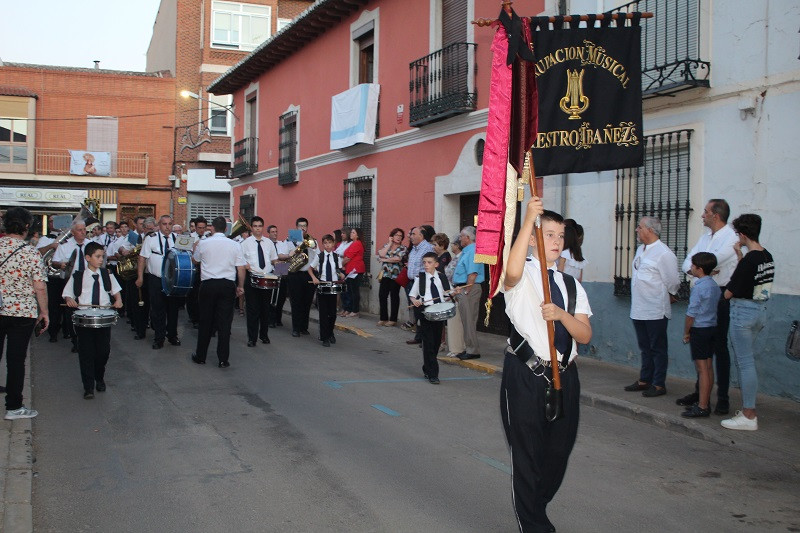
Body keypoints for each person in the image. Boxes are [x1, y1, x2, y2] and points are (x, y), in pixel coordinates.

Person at [500, 198, 592, 532]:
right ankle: (536, 525)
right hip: (526, 374)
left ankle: (535, 509)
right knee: (527, 455)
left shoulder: (571, 285)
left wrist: (561, 314)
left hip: (565, 377)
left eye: (559, 236)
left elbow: (583, 334)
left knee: (557, 456)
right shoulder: (521, 274)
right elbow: (510, 272)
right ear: (536, 239)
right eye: (548, 234)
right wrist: (528, 221)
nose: (555, 242)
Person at [678, 198, 739, 415]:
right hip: (703, 290)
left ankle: (722, 397)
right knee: (701, 349)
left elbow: (713, 260)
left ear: (716, 215)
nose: (702, 215)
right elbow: (688, 262)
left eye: (705, 212)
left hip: (721, 295)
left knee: (719, 347)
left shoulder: (731, 237)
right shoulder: (705, 237)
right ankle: (700, 393)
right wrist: (696, 268)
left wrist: (700, 267)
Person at [720, 214, 774, 431]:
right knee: (748, 360)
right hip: (760, 310)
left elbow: (729, 292)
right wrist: (739, 256)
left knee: (745, 363)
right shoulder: (765, 256)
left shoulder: (750, 260)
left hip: (743, 312)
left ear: (742, 235)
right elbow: (751, 277)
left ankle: (749, 414)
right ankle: (748, 412)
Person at [0, 207, 48, 419]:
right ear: (27, 226)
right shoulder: (30, 252)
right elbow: (39, 286)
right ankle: (13, 407)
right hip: (22, 313)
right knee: (16, 360)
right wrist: (44, 311)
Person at [624, 216, 680, 397]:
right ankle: (645, 379)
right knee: (645, 347)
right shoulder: (641, 249)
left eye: (639, 227)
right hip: (639, 308)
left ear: (649, 230)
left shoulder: (664, 253)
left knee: (657, 348)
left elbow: (673, 281)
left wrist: (669, 295)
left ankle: (658, 383)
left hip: (655, 309)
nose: (637, 230)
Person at [62, 242, 123, 399]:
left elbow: (116, 292)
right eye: (97, 256)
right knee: (86, 353)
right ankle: (88, 387)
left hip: (104, 318)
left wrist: (118, 300)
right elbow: (68, 294)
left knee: (103, 352)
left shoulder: (106, 274)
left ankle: (99, 377)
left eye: (102, 256)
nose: (101, 259)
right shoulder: (78, 276)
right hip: (84, 320)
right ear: (88, 258)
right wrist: (70, 300)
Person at [190, 216, 246, 368]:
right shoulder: (234, 244)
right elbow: (240, 268)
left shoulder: (203, 242)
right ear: (226, 229)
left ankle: (201, 356)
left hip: (208, 284)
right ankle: (223, 359)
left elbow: (195, 260)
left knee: (205, 321)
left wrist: (196, 248)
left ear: (211, 228)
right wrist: (240, 286)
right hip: (227, 284)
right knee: (225, 323)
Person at [681, 252, 720, 418]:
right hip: (712, 327)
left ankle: (703, 405)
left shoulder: (699, 287)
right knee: (709, 367)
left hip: (700, 329)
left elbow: (691, 314)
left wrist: (686, 332)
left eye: (693, 266)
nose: (691, 268)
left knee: (702, 369)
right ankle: (705, 401)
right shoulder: (713, 285)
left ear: (700, 269)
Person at [136, 215, 182, 349]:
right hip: (156, 279)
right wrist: (140, 277)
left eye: (169, 224)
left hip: (173, 280)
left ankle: (172, 335)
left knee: (173, 309)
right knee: (157, 309)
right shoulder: (151, 239)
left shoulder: (178, 239)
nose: (167, 227)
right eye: (164, 224)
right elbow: (142, 259)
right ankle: (159, 337)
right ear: (159, 225)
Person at [409, 252, 451, 384]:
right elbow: (412, 295)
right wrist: (415, 301)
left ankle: (427, 367)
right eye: (424, 263)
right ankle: (433, 374)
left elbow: (448, 294)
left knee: (436, 342)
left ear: (436, 264)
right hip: (426, 312)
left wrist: (453, 293)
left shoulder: (442, 278)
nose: (426, 265)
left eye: (429, 262)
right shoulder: (420, 279)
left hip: (439, 313)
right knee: (428, 342)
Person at [51, 219, 92, 352]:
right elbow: (55, 261)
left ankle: (86, 338)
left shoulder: (91, 245)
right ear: (73, 232)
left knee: (86, 310)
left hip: (88, 281)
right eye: (80, 230)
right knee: (71, 312)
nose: (83, 232)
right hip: (71, 281)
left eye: (84, 230)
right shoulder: (65, 245)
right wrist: (61, 265)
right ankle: (75, 340)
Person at [241, 216, 277, 347]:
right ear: (251, 228)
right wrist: (245, 265)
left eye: (260, 226)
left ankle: (264, 335)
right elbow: (240, 260)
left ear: (263, 227)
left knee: (265, 309)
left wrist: (283, 270)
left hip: (267, 279)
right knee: (252, 310)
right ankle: (252, 338)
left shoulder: (269, 243)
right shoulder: (245, 243)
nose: (258, 228)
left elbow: (274, 260)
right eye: (255, 226)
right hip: (252, 279)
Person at [451, 226, 485, 360]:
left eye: (461, 236)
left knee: (469, 320)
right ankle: (469, 347)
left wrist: (466, 291)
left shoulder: (473, 251)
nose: (459, 239)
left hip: (468, 289)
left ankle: (472, 350)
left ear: (468, 237)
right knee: (466, 320)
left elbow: (472, 273)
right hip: (464, 288)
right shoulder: (468, 251)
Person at [309, 234, 344, 347]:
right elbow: (310, 268)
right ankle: (324, 337)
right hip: (322, 287)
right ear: (323, 244)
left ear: (333, 244)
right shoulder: (319, 256)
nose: (327, 245)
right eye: (325, 243)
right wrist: (314, 278)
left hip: (332, 287)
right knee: (323, 314)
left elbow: (338, 270)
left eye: (329, 243)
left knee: (332, 314)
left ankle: (330, 332)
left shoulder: (336, 256)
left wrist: (341, 274)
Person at [286, 217, 317, 337]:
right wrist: (299, 248)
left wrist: (311, 246)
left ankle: (304, 327)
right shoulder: (290, 240)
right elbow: (288, 256)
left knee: (307, 301)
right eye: (300, 226)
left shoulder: (313, 241)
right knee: (296, 302)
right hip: (295, 274)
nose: (303, 228)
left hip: (308, 274)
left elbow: (317, 256)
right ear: (296, 227)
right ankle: (296, 328)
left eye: (304, 226)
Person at [404, 226, 434, 344]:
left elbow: (429, 268)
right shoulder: (414, 249)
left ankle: (424, 337)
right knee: (416, 311)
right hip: (412, 282)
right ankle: (419, 336)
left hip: (421, 283)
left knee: (422, 310)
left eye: (413, 234)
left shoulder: (427, 248)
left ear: (421, 236)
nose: (411, 236)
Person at [376, 228, 407, 327]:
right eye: (397, 235)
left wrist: (385, 259)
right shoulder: (386, 246)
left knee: (394, 296)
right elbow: (381, 254)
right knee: (382, 295)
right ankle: (383, 318)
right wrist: (389, 244)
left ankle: (393, 319)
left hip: (396, 275)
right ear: (392, 236)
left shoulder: (403, 248)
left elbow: (398, 259)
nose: (398, 237)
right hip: (385, 274)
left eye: (400, 236)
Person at [444, 237, 465, 358]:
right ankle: (454, 347)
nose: (451, 246)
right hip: (451, 291)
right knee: (452, 322)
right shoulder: (456, 258)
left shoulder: (460, 258)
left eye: (453, 244)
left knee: (455, 322)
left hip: (455, 291)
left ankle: (457, 348)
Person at [186, 216, 208, 327]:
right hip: (192, 268)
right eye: (199, 227)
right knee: (192, 294)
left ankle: (202, 316)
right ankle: (194, 317)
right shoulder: (189, 237)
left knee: (203, 294)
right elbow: (183, 252)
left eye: (204, 227)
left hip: (204, 268)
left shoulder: (209, 238)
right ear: (195, 227)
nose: (201, 230)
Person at [267, 224, 289, 327]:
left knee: (281, 295)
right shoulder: (266, 243)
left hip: (281, 268)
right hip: (271, 270)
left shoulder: (281, 244)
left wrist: (279, 259)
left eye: (276, 231)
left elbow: (285, 257)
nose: (275, 233)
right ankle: (270, 319)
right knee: (272, 295)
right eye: (273, 232)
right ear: (269, 233)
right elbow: (269, 259)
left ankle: (278, 318)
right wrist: (278, 259)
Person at [341, 227, 366, 318]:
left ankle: (355, 310)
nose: (351, 234)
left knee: (354, 291)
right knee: (350, 290)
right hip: (350, 269)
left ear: (358, 235)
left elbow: (348, 257)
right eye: (351, 232)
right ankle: (350, 309)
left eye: (353, 232)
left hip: (356, 270)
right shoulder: (353, 243)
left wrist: (341, 264)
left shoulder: (357, 244)